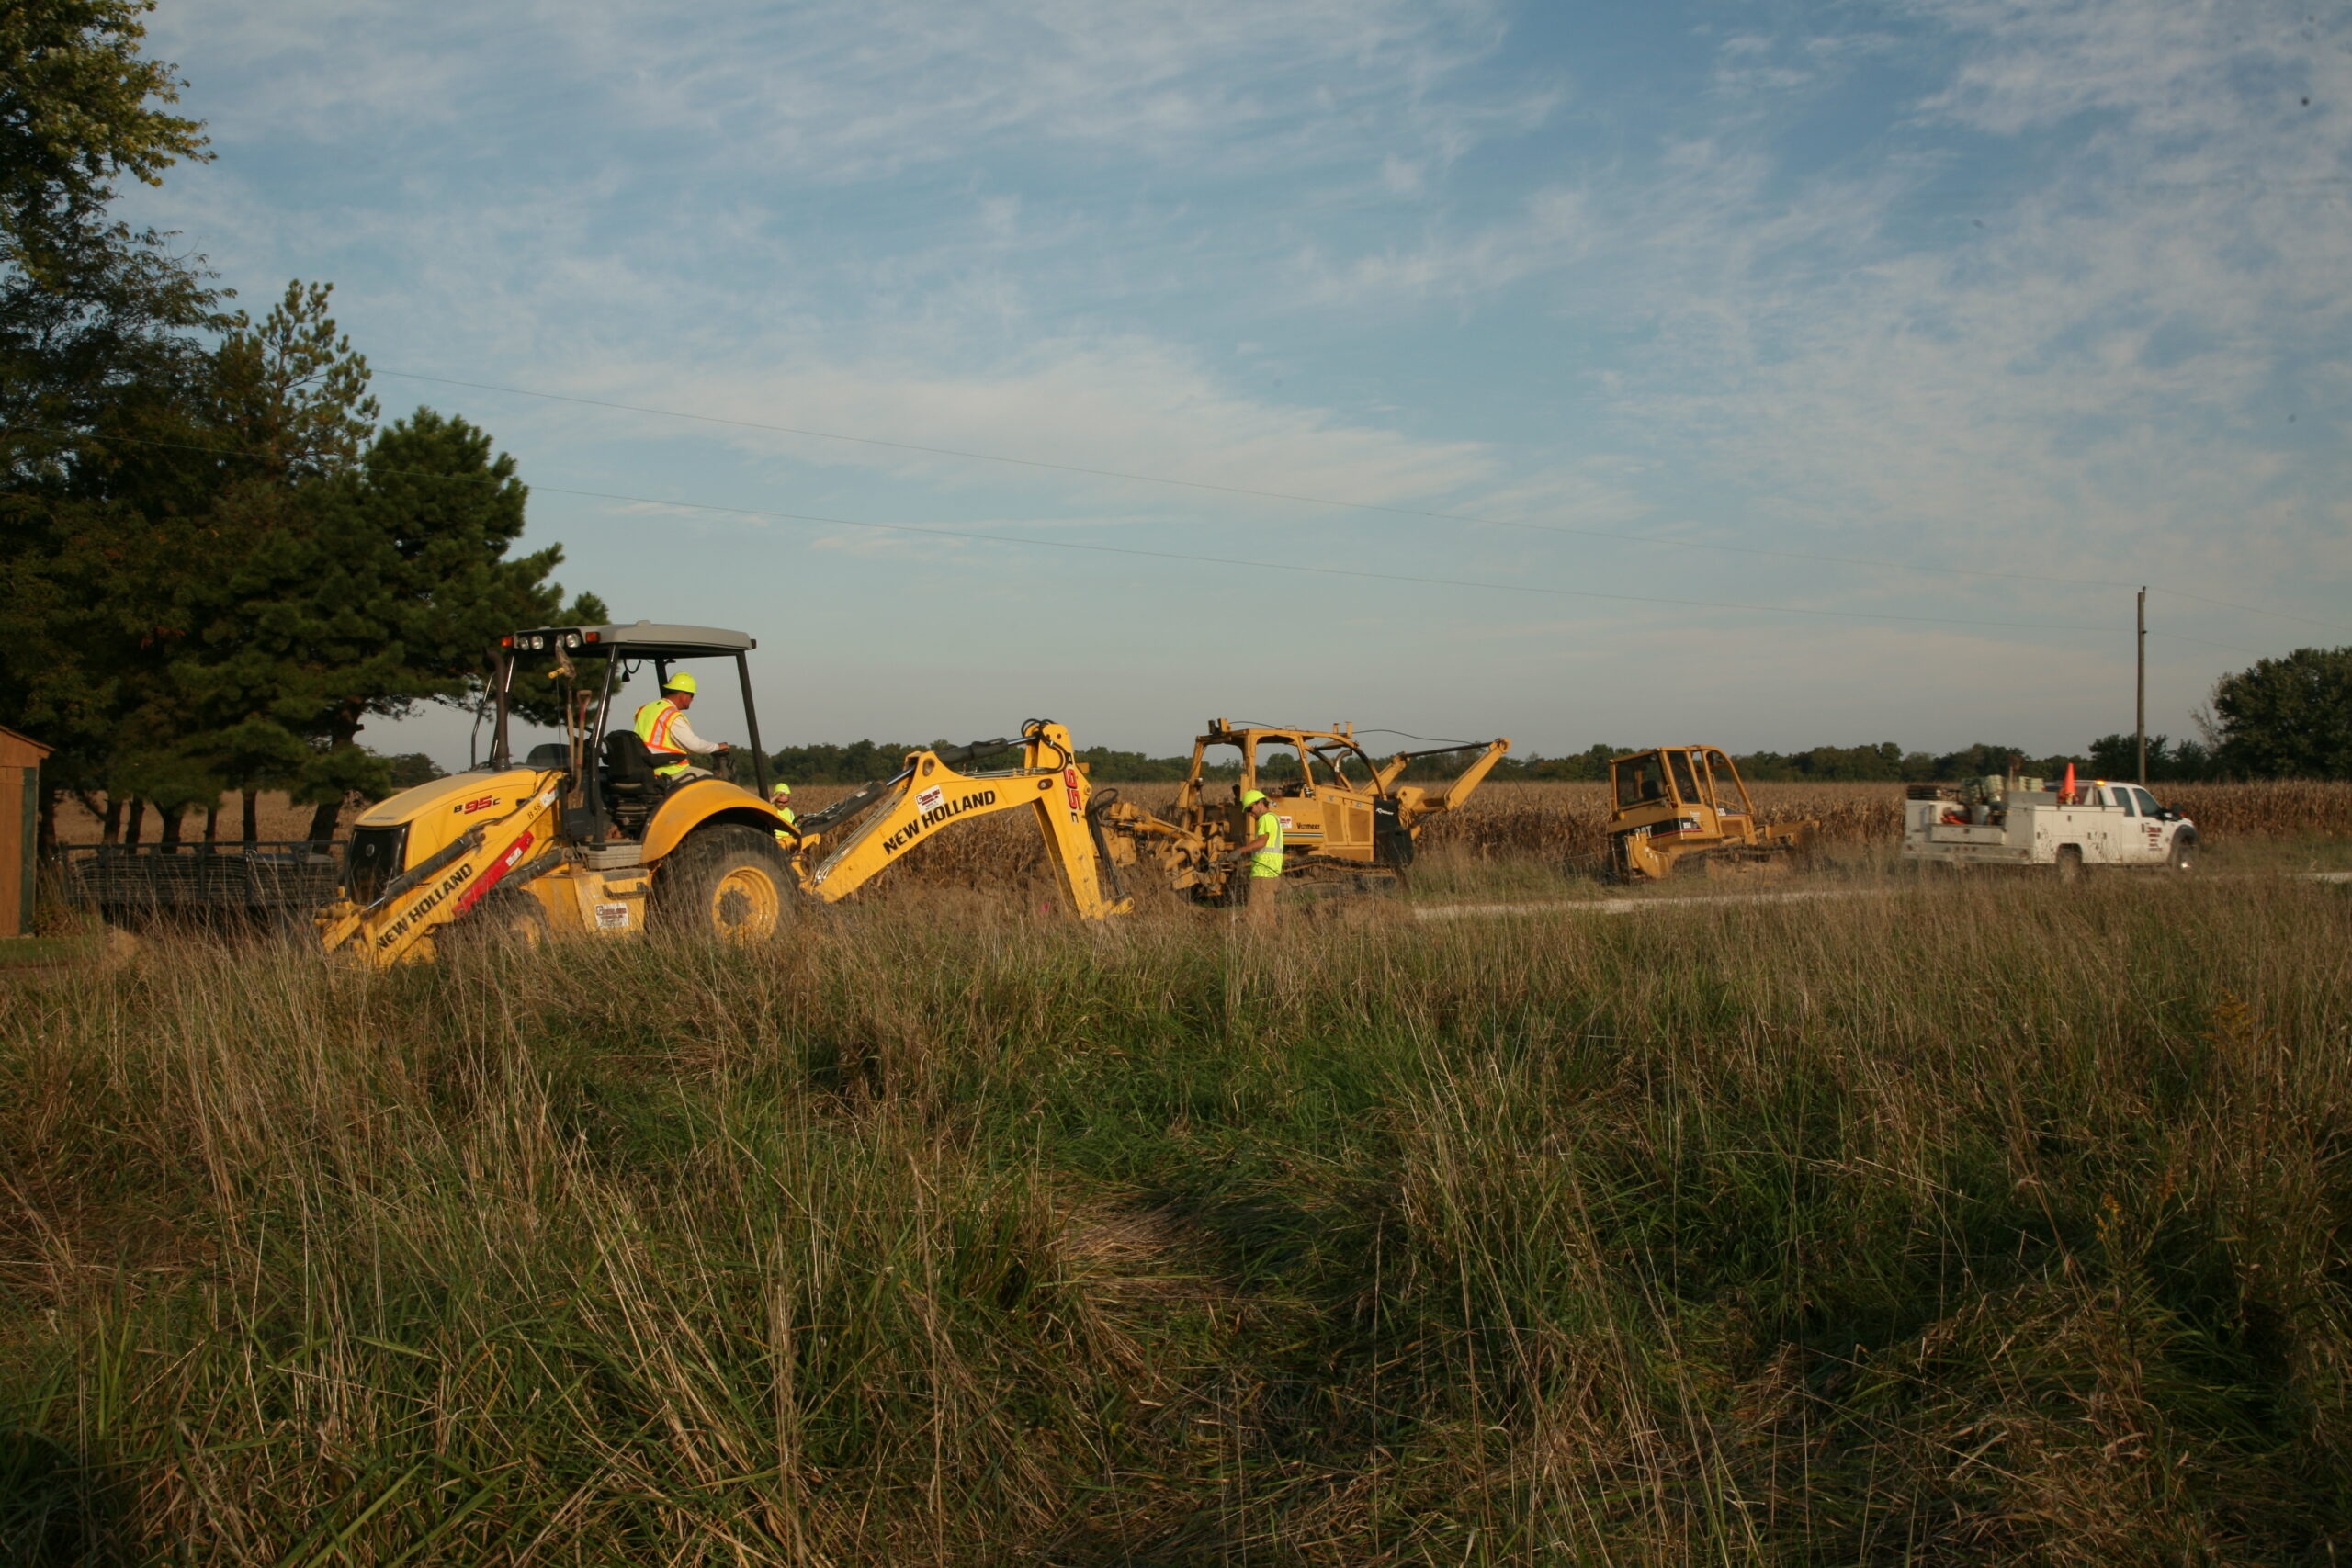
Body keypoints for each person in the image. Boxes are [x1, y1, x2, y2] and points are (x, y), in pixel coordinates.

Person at [633, 672, 732, 782]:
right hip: (669, 770)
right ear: (683, 695)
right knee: (710, 780)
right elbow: (694, 745)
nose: (692, 699)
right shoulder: (672, 716)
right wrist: (717, 746)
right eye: (692, 695)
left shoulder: (644, 709)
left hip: (645, 768)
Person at [1235, 788, 1284, 925]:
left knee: (1254, 913)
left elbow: (1262, 841)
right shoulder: (1272, 818)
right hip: (1270, 871)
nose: (1250, 814)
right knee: (1268, 914)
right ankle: (1272, 940)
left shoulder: (1266, 818)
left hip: (1263, 872)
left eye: (1250, 809)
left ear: (1259, 803)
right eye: (1247, 811)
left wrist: (1241, 851)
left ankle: (1253, 942)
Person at [769, 781, 798, 846]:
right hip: (775, 842)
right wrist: (776, 796)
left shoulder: (790, 813)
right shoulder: (770, 809)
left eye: (785, 802)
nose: (783, 805)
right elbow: (762, 803)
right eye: (780, 802)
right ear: (775, 800)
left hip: (789, 843)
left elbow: (795, 830)